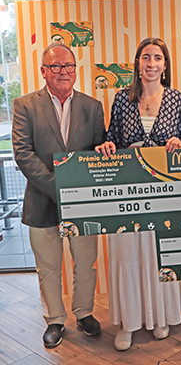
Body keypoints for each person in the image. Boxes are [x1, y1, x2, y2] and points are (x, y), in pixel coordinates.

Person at [95, 37, 181, 350]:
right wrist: (107, 145)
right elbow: (111, 137)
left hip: (163, 188)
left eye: (157, 58)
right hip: (127, 188)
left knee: (158, 251)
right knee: (127, 251)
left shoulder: (175, 98)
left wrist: (178, 142)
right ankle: (129, 322)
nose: (151, 63)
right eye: (146, 57)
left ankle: (161, 316)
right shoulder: (122, 98)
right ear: (137, 63)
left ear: (165, 64)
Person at [12, 43, 106, 348]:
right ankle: (55, 319)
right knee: (48, 267)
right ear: (43, 71)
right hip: (41, 201)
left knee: (86, 263)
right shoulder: (24, 105)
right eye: (55, 66)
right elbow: (23, 154)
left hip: (83, 204)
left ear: (75, 70)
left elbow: (98, 151)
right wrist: (58, 189)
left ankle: (84, 313)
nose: (63, 72)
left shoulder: (92, 107)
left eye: (68, 66)